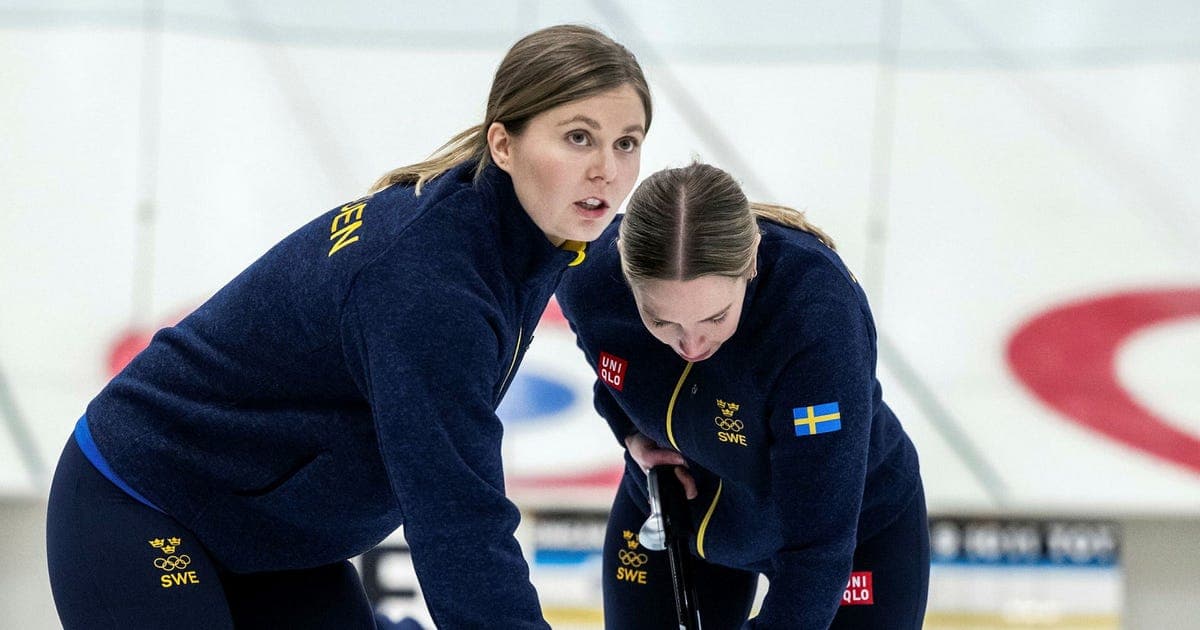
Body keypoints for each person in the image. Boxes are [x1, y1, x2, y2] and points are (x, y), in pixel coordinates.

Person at [46, 24, 651, 629]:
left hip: (279, 539)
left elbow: (624, 294)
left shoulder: (542, 226)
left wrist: (642, 426)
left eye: (627, 143)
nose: (606, 170)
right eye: (578, 138)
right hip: (145, 500)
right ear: (503, 144)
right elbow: (456, 516)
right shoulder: (432, 287)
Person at [557, 162, 928, 629]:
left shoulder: (815, 315)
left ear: (750, 259)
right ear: (626, 280)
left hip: (844, 530)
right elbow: (607, 365)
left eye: (715, 318)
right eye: (663, 322)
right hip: (677, 510)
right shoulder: (589, 281)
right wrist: (630, 432)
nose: (691, 346)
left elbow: (818, 548)